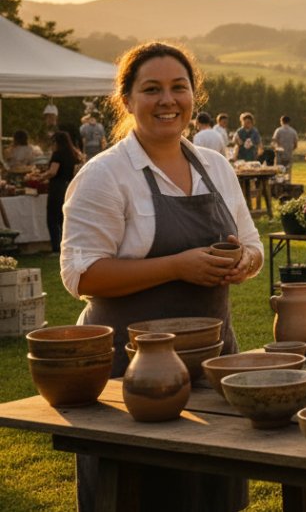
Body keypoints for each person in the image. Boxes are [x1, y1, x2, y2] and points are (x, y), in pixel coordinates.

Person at [59, 41, 262, 510]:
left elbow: (251, 245)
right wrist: (176, 266)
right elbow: (80, 274)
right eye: (152, 89)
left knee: (212, 493)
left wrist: (241, 262)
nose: (167, 100)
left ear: (195, 97)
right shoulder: (105, 175)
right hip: (129, 378)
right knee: (142, 493)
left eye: (179, 87)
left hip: (211, 369)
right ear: (127, 100)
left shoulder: (214, 167)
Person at [37, 130, 81, 252]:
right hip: (69, 186)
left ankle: (56, 247)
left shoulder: (57, 154)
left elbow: (52, 172)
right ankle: (67, 245)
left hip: (57, 187)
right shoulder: (74, 154)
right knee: (64, 218)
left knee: (52, 218)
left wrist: (40, 177)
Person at [272, 115, 298, 182]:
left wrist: (275, 148)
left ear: (281, 121)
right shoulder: (293, 131)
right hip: (289, 153)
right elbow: (295, 144)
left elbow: (274, 142)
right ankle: (287, 182)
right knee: (288, 171)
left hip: (279, 154)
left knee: (278, 170)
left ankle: (279, 182)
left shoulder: (278, 130)